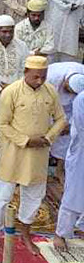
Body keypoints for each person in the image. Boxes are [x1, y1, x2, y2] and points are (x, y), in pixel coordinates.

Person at [0, 55, 67, 253]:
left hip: (38, 155)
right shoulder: (11, 92)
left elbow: (61, 119)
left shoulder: (50, 92)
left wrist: (48, 138)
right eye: (36, 77)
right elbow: (2, 124)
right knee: (2, 196)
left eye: (43, 77)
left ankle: (25, 235)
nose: (39, 81)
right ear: (25, 73)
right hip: (12, 152)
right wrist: (26, 140)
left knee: (33, 196)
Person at [54, 74, 84, 252]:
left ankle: (81, 228)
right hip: (81, 152)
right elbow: (81, 129)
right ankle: (61, 234)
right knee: (74, 194)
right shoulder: (81, 100)